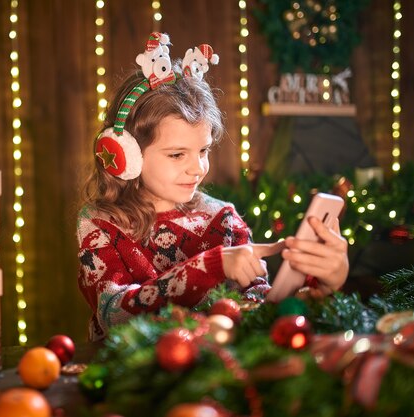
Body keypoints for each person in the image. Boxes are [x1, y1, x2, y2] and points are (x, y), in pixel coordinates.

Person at [77, 34, 349, 341]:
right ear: (127, 155)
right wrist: (210, 267)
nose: (198, 168)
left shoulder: (223, 218)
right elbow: (114, 316)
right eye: (177, 154)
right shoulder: (102, 224)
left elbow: (258, 310)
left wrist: (323, 285)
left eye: (203, 151)